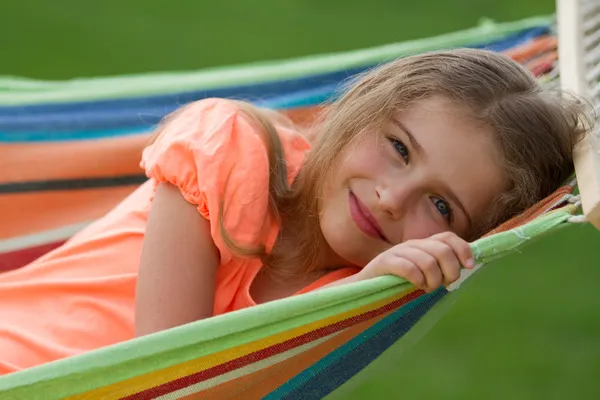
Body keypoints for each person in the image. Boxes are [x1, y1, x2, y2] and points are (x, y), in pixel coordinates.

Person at [0, 49, 590, 375]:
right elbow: (164, 372)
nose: (390, 197)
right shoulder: (231, 148)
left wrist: (361, 296)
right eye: (399, 149)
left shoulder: (370, 289)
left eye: (440, 206)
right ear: (359, 110)